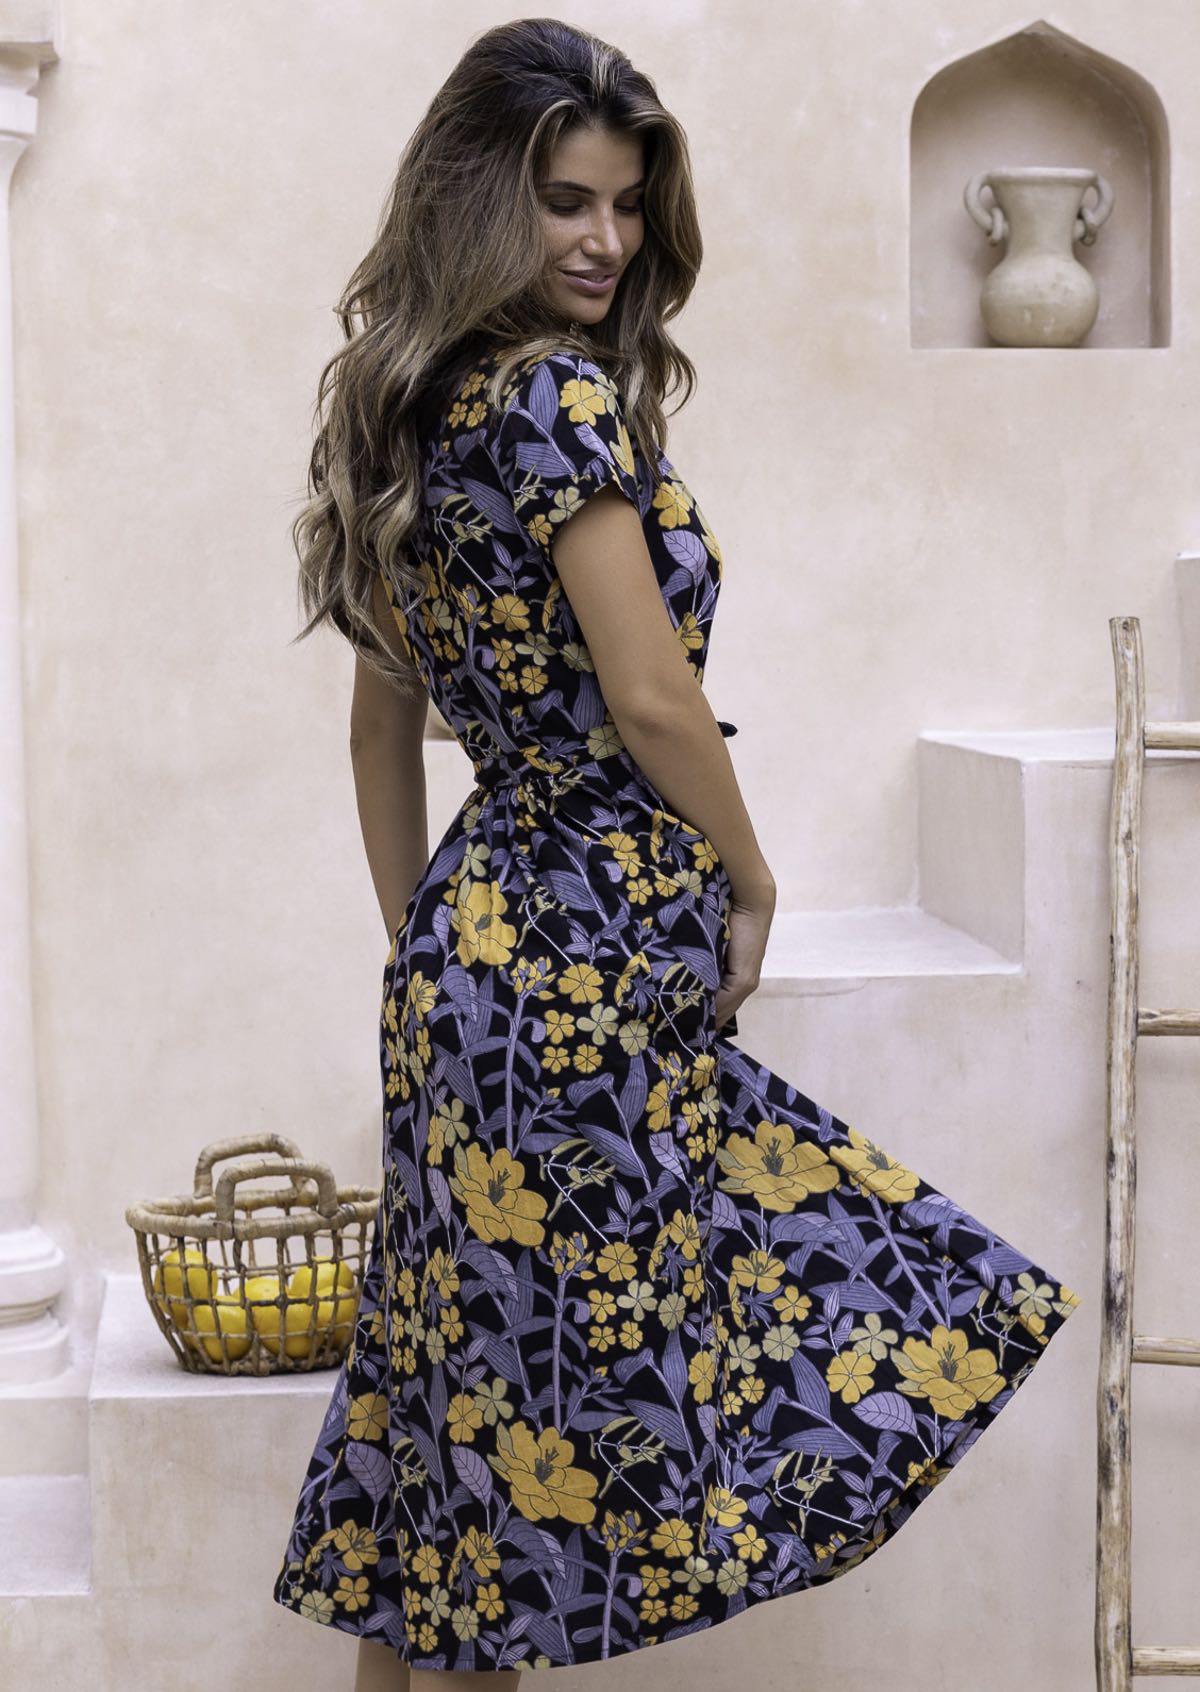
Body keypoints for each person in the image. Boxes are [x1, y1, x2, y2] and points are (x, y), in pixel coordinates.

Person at [271, 18, 1081, 1688]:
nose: (605, 242)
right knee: (860, 1306)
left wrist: (426, 947)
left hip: (474, 973)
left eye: (628, 207)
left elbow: (377, 735)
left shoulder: (402, 407)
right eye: (569, 201)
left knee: (448, 1483)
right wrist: (756, 874)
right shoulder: (560, 405)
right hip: (585, 976)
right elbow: (651, 699)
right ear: (482, 199)